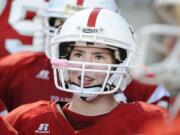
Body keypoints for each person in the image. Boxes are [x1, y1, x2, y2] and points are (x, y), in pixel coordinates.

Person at [5, 8, 167, 135]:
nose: (86, 64)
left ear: (120, 64)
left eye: (99, 57)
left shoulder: (152, 120)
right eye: (79, 54)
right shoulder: (26, 119)